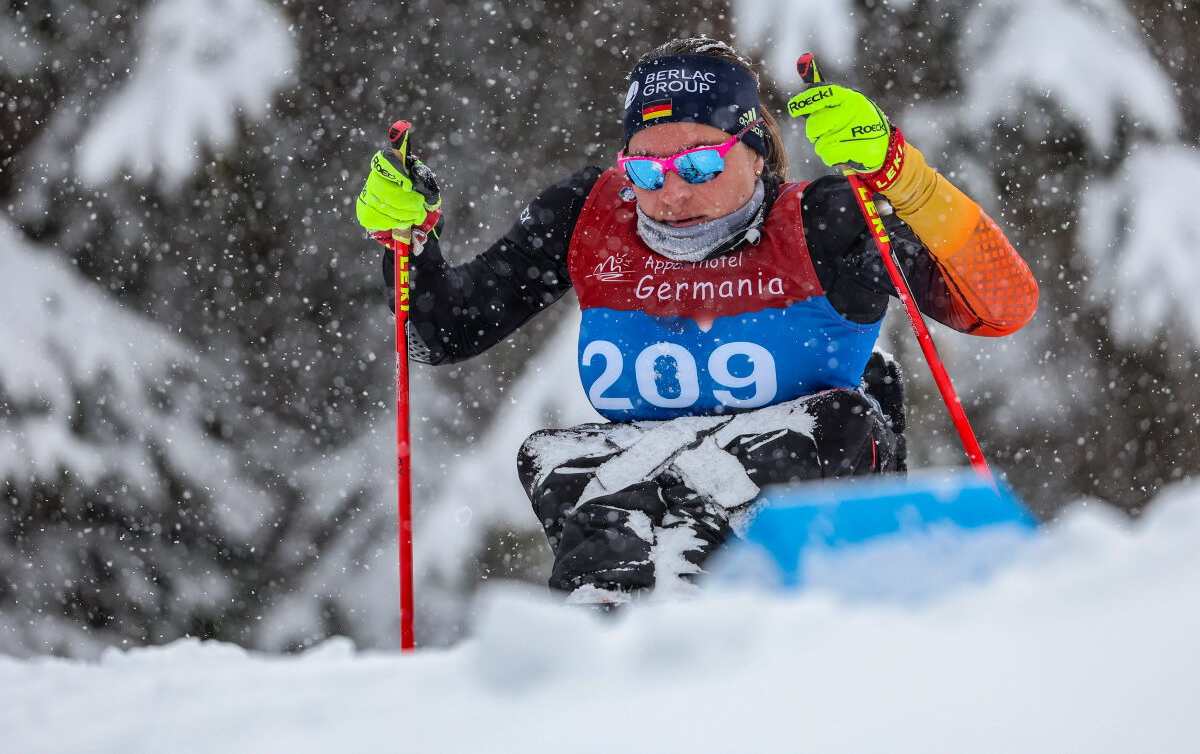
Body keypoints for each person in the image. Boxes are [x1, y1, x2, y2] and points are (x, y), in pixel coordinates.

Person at [354, 37, 1038, 604]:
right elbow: (439, 333)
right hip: (630, 545)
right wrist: (408, 243)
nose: (672, 193)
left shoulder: (823, 222)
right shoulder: (590, 215)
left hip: (806, 548)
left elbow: (1002, 304)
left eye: (700, 164)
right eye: (646, 171)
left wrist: (901, 176)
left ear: (755, 150)